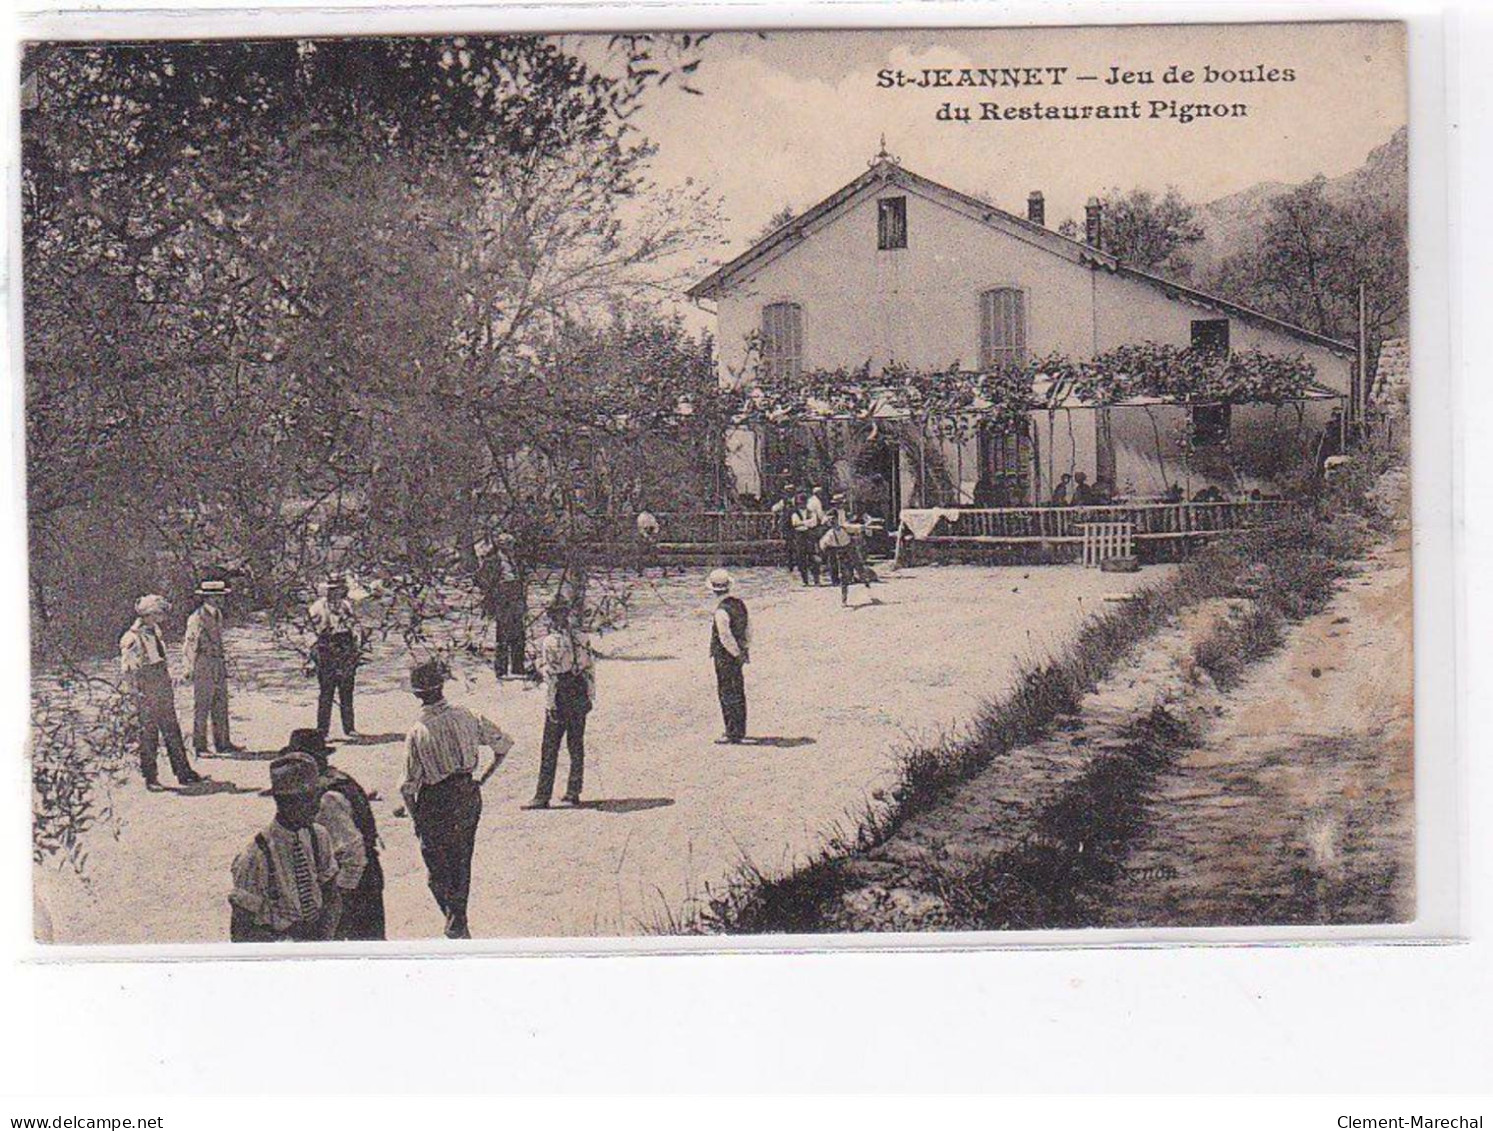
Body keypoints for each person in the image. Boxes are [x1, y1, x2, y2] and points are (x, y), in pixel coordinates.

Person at [400, 659, 513, 939]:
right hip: (466, 794)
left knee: (437, 872)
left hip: (435, 800)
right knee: (461, 861)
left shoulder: (417, 731)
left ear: (417, 694)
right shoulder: (468, 715)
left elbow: (408, 787)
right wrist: (481, 780)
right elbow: (503, 745)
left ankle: (456, 925)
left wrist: (416, 819)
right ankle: (458, 924)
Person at [284, 728, 386, 942]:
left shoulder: (327, 799)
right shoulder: (339, 779)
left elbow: (353, 855)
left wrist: (338, 900)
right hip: (362, 879)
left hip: (356, 886)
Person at [228, 753, 340, 942]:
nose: (317, 807)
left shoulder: (318, 836)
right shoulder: (255, 856)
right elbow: (241, 931)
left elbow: (332, 894)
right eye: (309, 800)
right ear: (287, 803)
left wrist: (324, 935)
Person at [120, 594, 204, 790]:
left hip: (161, 684)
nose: (162, 618)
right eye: (159, 614)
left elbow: (159, 657)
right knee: (148, 734)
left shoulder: (154, 631)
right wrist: (134, 695)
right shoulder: (132, 638)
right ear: (148, 615)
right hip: (146, 688)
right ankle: (150, 777)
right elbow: (128, 671)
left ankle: (183, 772)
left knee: (172, 729)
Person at [525, 601, 596, 809]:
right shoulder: (582, 638)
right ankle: (574, 791)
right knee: (576, 743)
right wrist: (590, 696)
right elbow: (590, 669)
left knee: (550, 745)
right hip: (580, 689)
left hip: (561, 692)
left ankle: (542, 795)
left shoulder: (551, 642)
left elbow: (551, 676)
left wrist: (550, 704)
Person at [183, 579, 244, 756]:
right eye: (217, 596)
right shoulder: (196, 618)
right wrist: (188, 668)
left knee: (221, 702)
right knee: (202, 705)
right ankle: (199, 746)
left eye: (222, 596)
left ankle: (223, 742)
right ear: (208, 598)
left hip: (217, 662)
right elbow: (189, 644)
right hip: (203, 662)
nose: (221, 599)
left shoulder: (217, 614)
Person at [308, 573, 362, 739]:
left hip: (345, 647)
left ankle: (349, 727)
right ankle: (322, 730)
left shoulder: (346, 605)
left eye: (338, 589)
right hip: (326, 649)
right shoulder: (318, 607)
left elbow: (354, 626)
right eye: (332, 589)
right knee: (326, 692)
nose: (335, 592)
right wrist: (313, 655)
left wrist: (355, 648)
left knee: (347, 690)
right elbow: (311, 632)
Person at [478, 536, 529, 679]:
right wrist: (494, 591)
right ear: (500, 545)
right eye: (508, 544)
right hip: (502, 601)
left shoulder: (516, 561)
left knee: (519, 634)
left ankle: (518, 668)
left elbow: (522, 581)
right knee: (503, 636)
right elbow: (480, 579)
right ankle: (501, 670)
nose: (511, 547)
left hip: (516, 600)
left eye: (512, 544)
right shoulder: (492, 561)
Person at [708, 569, 750, 744]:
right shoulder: (739, 605)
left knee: (727, 692)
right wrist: (745, 649)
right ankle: (739, 729)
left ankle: (732, 731)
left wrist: (736, 653)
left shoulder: (721, 611)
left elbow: (725, 636)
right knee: (738, 690)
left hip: (726, 656)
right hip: (738, 652)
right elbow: (748, 628)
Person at [790, 492, 822, 586]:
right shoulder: (795, 513)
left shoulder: (811, 512)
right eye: (800, 503)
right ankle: (805, 580)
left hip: (809, 535)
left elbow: (814, 522)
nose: (802, 504)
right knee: (801, 558)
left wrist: (803, 523)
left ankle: (816, 580)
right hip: (799, 536)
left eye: (803, 502)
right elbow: (795, 523)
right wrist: (806, 523)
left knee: (813, 558)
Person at [770, 482, 798, 573]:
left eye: (791, 490)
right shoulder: (784, 501)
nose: (789, 492)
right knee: (789, 544)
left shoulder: (798, 500)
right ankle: (790, 563)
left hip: (798, 524)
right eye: (788, 491)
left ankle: (796, 562)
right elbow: (774, 509)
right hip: (788, 525)